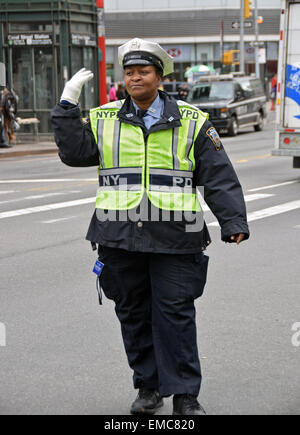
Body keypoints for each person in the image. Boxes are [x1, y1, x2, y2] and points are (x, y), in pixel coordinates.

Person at [51, 38, 249, 416]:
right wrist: (66, 106)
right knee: (133, 315)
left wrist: (233, 220)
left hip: (177, 236)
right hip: (119, 235)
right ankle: (148, 387)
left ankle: (186, 395)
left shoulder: (192, 120)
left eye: (143, 71)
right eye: (129, 72)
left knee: (175, 315)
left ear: (159, 77)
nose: (135, 78)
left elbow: (219, 174)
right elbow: (74, 154)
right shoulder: (103, 117)